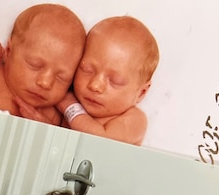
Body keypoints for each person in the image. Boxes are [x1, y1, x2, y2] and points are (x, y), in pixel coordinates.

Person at [51, 16, 159, 145]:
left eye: (115, 81)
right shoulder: (70, 99)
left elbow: (100, 142)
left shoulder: (134, 119)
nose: (95, 85)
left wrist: (69, 106)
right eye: (87, 70)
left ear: (141, 93)